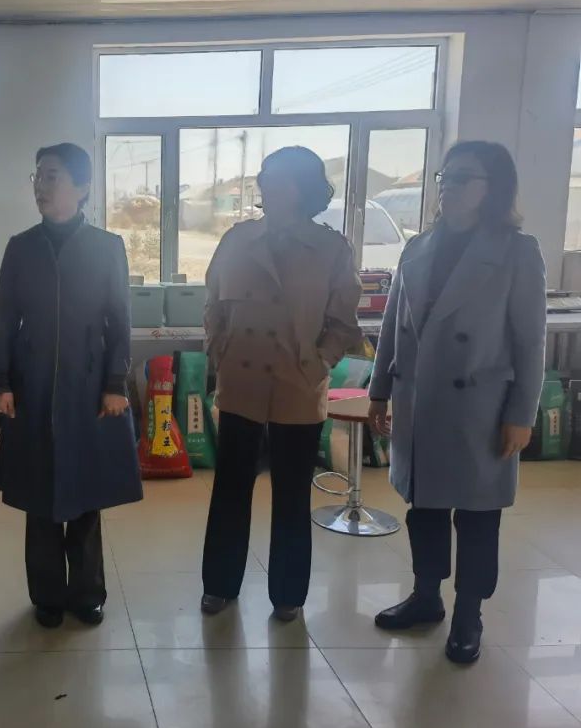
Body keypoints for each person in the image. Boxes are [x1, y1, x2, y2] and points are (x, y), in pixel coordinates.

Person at [369, 141, 546, 664]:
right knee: (423, 508)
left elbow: (530, 342)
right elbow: (392, 327)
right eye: (445, 177)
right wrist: (379, 390)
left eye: (464, 177)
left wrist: (521, 415)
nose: (449, 187)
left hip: (480, 408)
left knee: (477, 517)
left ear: (494, 188)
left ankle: (470, 612)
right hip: (420, 402)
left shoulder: (516, 251)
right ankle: (426, 596)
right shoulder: (417, 247)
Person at [200, 146, 363, 623]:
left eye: (280, 178)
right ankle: (219, 584)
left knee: (292, 493)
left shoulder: (331, 249)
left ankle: (289, 594)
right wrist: (218, 350)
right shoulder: (237, 239)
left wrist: (319, 362)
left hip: (298, 381)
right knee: (231, 487)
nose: (267, 184)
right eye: (265, 175)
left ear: (305, 187)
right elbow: (213, 303)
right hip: (241, 380)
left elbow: (343, 322)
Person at [0, 143, 142, 630]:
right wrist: (2, 380)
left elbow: (119, 320)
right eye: (37, 176)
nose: (40, 185)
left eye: (51, 176)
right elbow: (5, 318)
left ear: (81, 187)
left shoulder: (106, 247)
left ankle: (87, 593)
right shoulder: (21, 247)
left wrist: (116, 382)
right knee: (38, 495)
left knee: (84, 492)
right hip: (32, 384)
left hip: (89, 384)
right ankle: (46, 595)